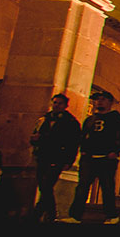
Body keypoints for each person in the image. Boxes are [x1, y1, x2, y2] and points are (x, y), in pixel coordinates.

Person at [61, 90, 120, 224]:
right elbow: (82, 137)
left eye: (103, 99)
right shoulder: (90, 120)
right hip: (89, 158)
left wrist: (115, 151)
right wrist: (84, 152)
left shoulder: (116, 118)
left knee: (107, 188)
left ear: (110, 102)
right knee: (82, 187)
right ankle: (75, 215)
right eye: (98, 99)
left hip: (106, 158)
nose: (99, 102)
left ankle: (111, 215)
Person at [30, 93, 80, 222]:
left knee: (47, 184)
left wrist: (69, 160)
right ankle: (50, 212)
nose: (56, 105)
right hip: (42, 156)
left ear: (65, 105)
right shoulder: (44, 119)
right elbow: (35, 134)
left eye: (59, 103)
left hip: (57, 157)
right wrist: (35, 140)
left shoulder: (70, 122)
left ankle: (38, 214)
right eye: (55, 102)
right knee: (43, 185)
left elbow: (73, 143)